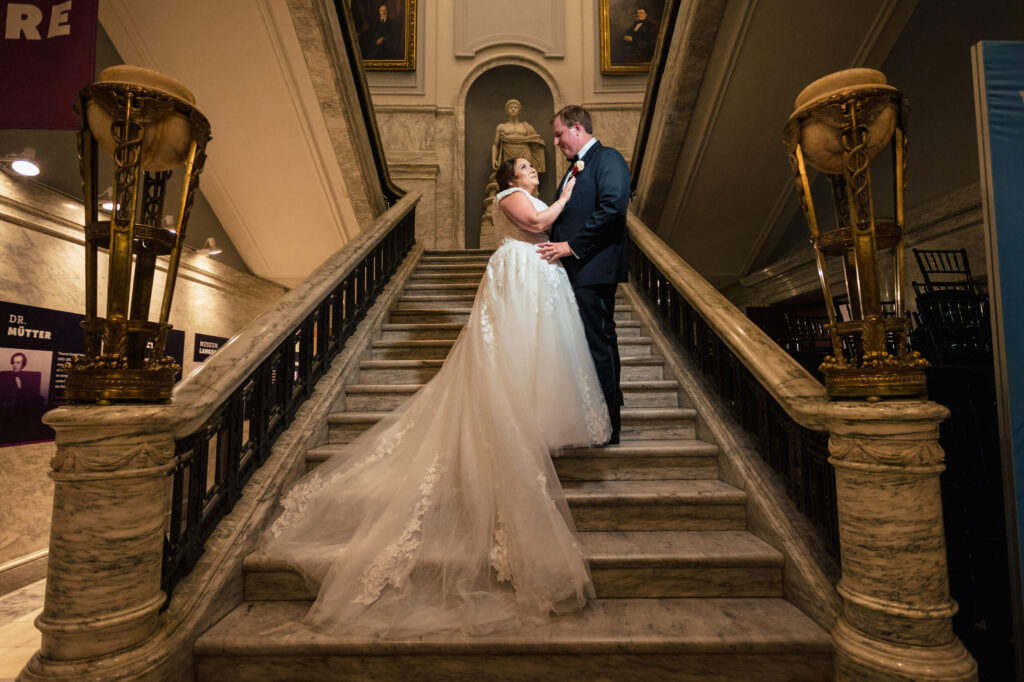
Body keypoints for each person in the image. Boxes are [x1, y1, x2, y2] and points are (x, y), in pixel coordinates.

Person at [261, 158, 610, 636]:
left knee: (540, 354)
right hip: (517, 273)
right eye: (526, 166)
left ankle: (529, 418)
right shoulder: (508, 198)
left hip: (538, 276)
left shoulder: (530, 193)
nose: (533, 170)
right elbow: (537, 223)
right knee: (510, 351)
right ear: (511, 178)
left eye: (532, 167)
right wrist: (568, 196)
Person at [538, 105, 630, 445]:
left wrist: (570, 246)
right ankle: (591, 421)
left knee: (598, 344)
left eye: (560, 134)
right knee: (580, 347)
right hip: (575, 272)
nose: (557, 142)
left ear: (578, 128)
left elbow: (613, 208)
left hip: (594, 269)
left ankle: (609, 425)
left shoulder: (609, 159)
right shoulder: (575, 169)